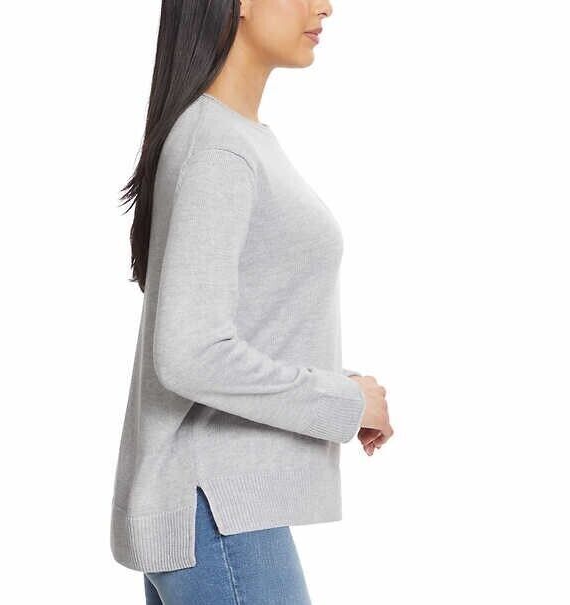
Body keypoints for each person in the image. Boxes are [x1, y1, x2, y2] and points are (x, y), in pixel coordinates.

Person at [113, 1, 394, 602]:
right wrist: (339, 401)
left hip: (214, 510)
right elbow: (190, 353)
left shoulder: (231, 137)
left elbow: (235, 329)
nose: (325, 6)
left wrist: (341, 386)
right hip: (216, 512)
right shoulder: (218, 147)